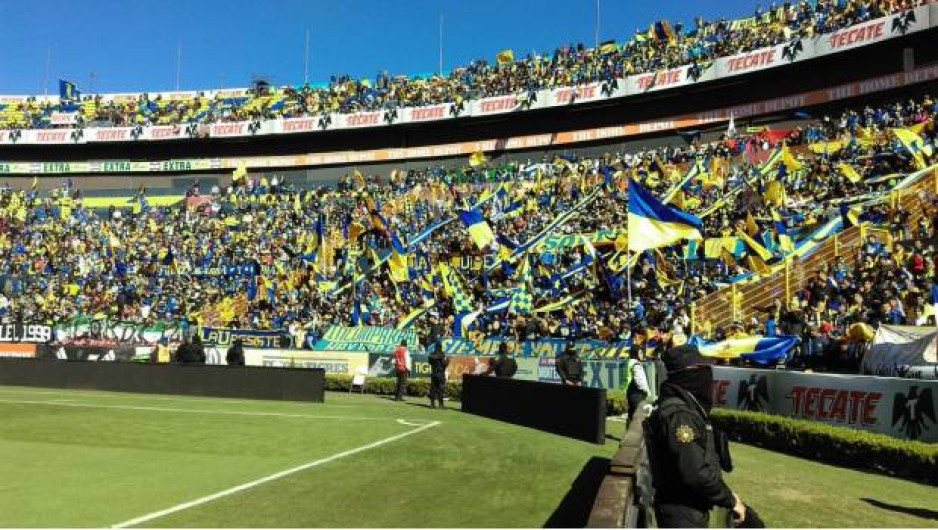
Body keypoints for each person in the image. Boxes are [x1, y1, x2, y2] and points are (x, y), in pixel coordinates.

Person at [644, 344, 747, 528]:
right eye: (702, 369)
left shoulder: (682, 407)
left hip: (687, 508)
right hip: (681, 510)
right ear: (687, 374)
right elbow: (695, 472)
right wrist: (730, 499)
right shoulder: (679, 414)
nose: (708, 375)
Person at [622, 350, 651, 420]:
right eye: (640, 352)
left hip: (629, 392)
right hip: (637, 394)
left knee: (631, 417)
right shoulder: (636, 364)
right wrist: (647, 391)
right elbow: (640, 381)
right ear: (636, 353)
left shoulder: (628, 362)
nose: (642, 354)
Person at [427, 340, 449, 409]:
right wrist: (447, 362)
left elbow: (430, 361)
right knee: (440, 389)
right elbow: (444, 364)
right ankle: (441, 405)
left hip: (434, 373)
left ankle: (432, 404)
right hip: (440, 374)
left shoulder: (432, 354)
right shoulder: (442, 355)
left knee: (433, 389)